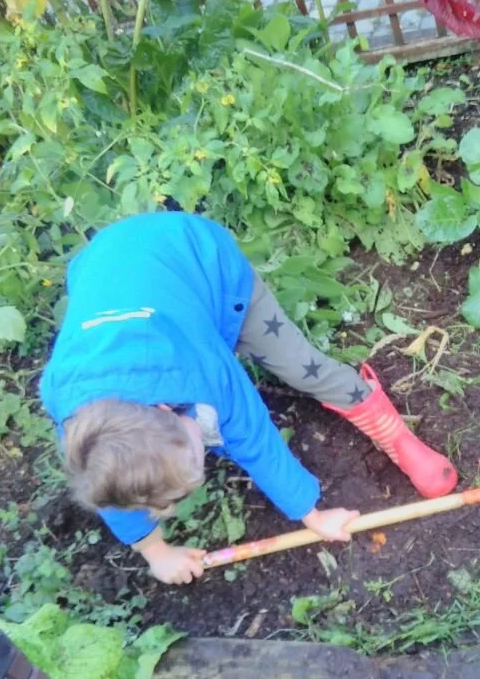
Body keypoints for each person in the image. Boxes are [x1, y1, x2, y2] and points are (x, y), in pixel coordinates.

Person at [40, 212, 458, 585]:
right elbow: (114, 492)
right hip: (111, 271)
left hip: (200, 261)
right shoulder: (86, 434)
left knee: (300, 365)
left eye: (197, 453)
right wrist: (156, 552)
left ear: (169, 410)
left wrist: (311, 514)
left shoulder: (204, 376)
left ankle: (394, 434)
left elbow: (252, 437)